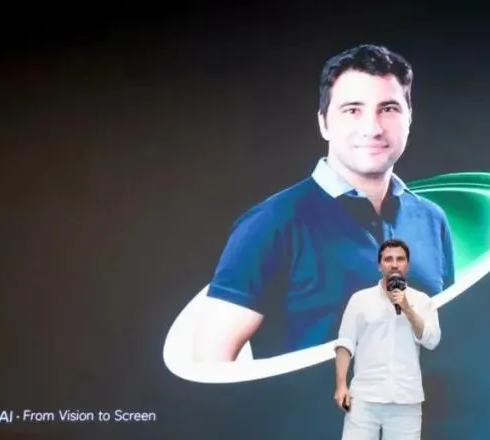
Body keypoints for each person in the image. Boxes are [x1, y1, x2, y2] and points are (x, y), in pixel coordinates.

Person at [191, 43, 455, 362]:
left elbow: (445, 342)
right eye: (353, 110)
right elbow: (210, 365)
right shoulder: (271, 224)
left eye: (388, 109)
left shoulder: (432, 219)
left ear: (409, 118)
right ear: (324, 123)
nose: (372, 128)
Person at [324, 238, 441, 440]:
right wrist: (341, 385)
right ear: (379, 265)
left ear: (407, 265)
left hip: (405, 393)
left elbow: (431, 340)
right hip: (365, 391)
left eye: (400, 259)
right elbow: (345, 343)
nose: (394, 264)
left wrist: (407, 308)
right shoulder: (360, 300)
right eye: (388, 259)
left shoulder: (421, 301)